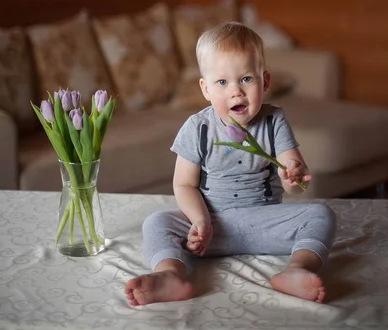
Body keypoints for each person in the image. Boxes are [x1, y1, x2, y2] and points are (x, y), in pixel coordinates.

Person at [125, 22, 336, 307]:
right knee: (156, 222)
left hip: (263, 224)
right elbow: (184, 184)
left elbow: (296, 181)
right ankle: (170, 275)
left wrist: (293, 178)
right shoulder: (197, 128)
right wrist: (200, 221)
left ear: (266, 81)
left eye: (246, 79)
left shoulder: (274, 121)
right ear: (206, 89)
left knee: (321, 214)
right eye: (222, 82)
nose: (236, 91)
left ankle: (297, 269)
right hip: (211, 227)